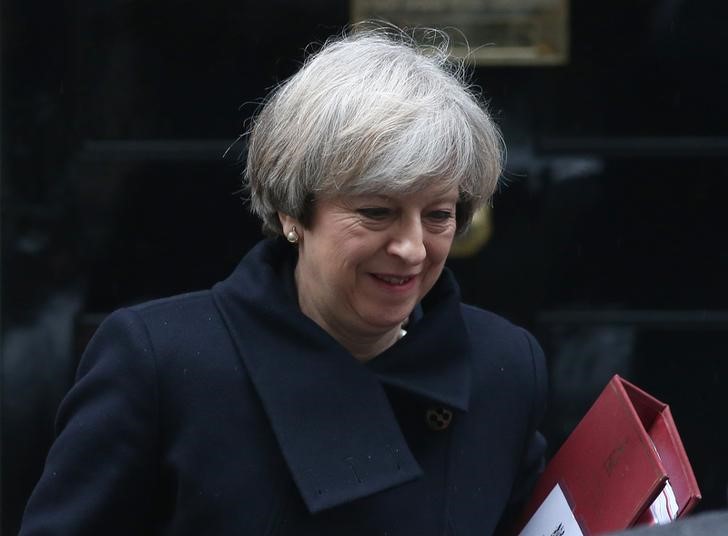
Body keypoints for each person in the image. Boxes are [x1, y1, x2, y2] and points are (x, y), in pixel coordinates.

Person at [19, 27, 547, 535]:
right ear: (294, 212)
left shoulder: (502, 366)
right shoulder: (159, 362)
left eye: (438, 215)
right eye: (375, 212)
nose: (412, 248)